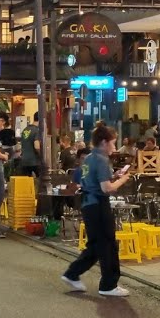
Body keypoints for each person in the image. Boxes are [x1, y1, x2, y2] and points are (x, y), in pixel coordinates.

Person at [60, 125, 133, 297]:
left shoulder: (90, 158)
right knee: (107, 243)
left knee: (96, 244)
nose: (114, 148)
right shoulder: (100, 159)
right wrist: (122, 179)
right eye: (113, 143)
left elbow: (94, 180)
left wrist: (113, 176)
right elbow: (106, 188)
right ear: (103, 142)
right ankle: (108, 285)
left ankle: (72, 273)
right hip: (98, 203)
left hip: (88, 204)